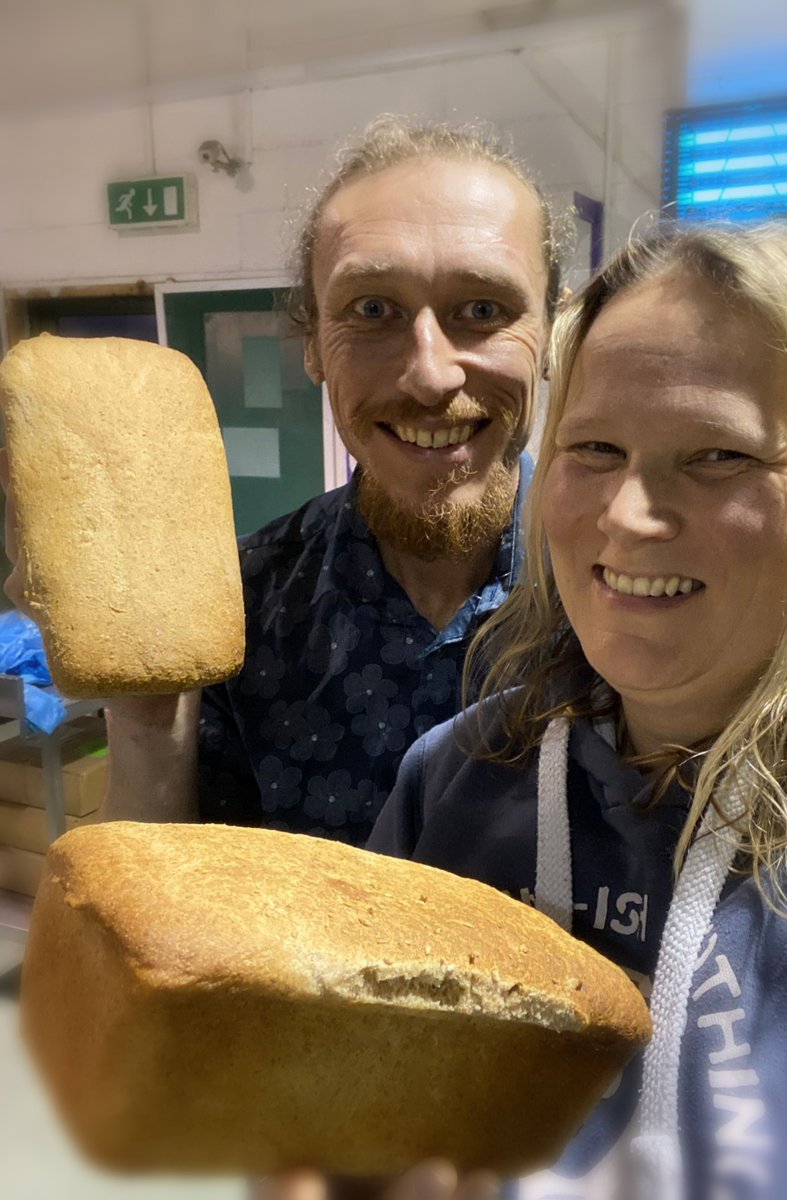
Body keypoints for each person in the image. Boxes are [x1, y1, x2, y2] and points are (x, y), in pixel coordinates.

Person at [326, 224, 787, 1200]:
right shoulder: (454, 778)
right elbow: (351, 1107)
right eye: (592, 447)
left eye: (716, 455)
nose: (628, 516)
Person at [2, 116, 562, 844]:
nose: (430, 374)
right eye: (371, 310)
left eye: (481, 310)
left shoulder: (627, 584)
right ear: (312, 345)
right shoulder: (240, 603)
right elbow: (171, 890)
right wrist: (146, 718)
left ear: (550, 333)